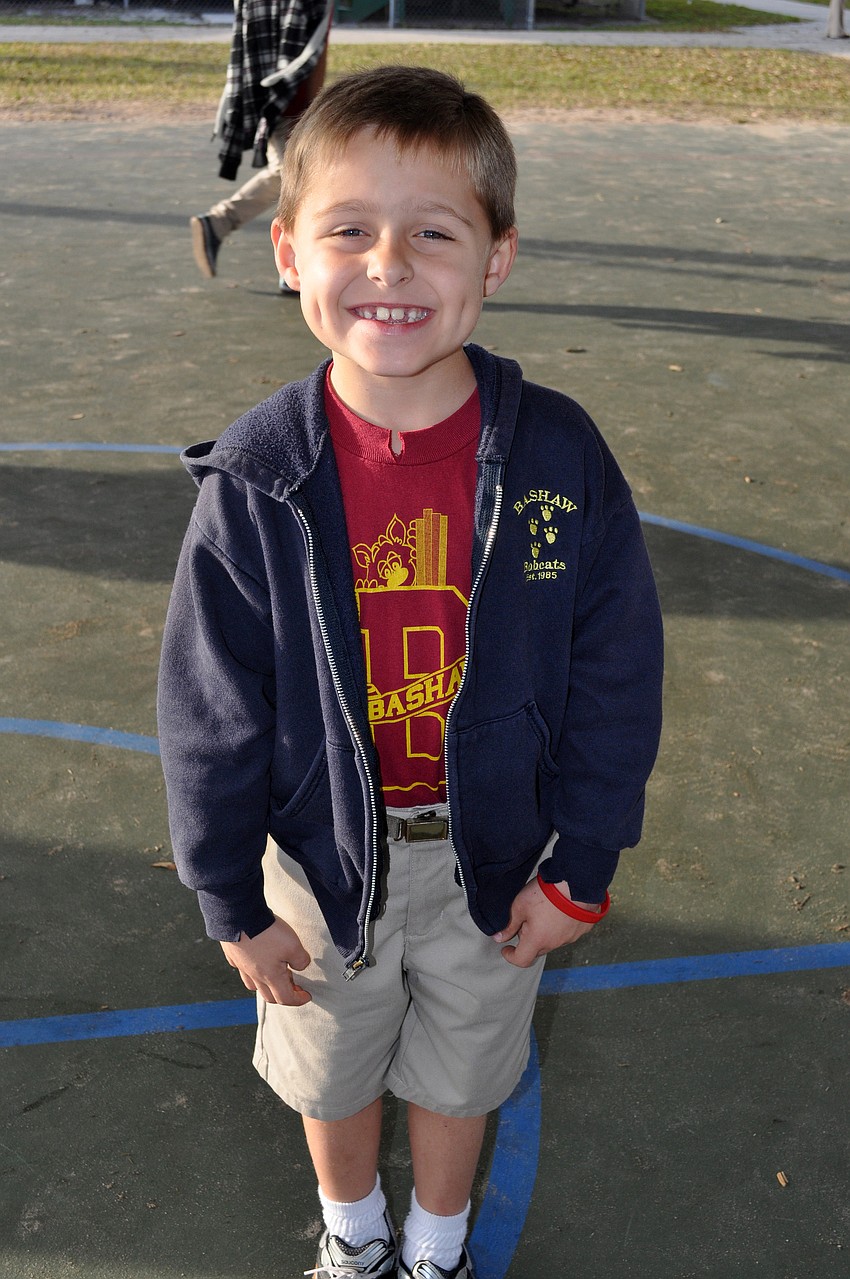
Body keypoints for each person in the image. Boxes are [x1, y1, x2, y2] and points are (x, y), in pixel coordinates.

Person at [158, 66, 664, 1279]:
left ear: (495, 259)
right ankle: (355, 1238)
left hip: (498, 855)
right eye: (348, 231)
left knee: (465, 1071)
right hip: (319, 858)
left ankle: (434, 1249)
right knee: (330, 1074)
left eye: (433, 233)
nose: (388, 265)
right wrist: (232, 898)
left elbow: (615, 670)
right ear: (287, 251)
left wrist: (583, 862)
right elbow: (210, 711)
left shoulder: (555, 456)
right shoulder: (258, 479)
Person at [189, 0, 332, 285]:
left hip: (264, 94)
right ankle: (219, 222)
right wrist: (312, 113)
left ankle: (294, 262)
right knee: (294, 175)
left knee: (293, 176)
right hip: (290, 100)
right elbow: (315, 54)